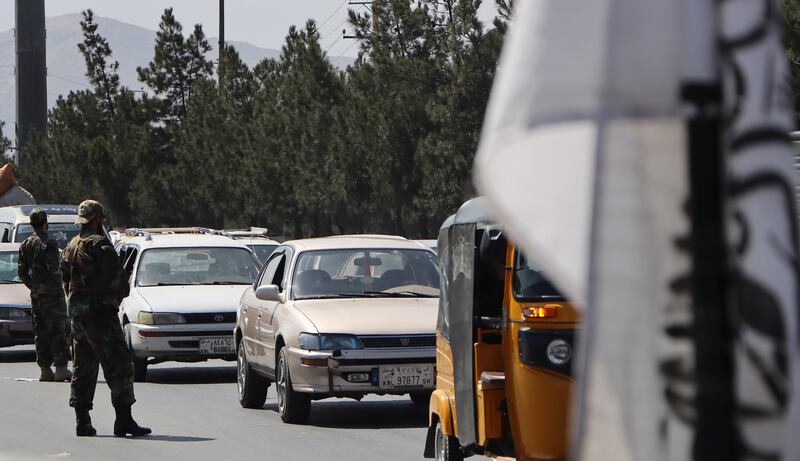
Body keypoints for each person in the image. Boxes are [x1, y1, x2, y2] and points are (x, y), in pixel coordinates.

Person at [61, 200, 150, 438]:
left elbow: (64, 278)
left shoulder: (71, 246)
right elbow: (119, 282)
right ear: (98, 219)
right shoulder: (101, 246)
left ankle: (83, 422)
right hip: (101, 316)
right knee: (120, 366)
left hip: (79, 318)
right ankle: (124, 421)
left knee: (83, 368)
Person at [17, 208, 72, 382]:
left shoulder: (26, 244)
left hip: (37, 296)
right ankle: (61, 368)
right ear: (45, 222)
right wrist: (63, 278)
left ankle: (45, 370)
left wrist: (33, 285)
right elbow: (54, 268)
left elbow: (21, 271)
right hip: (53, 295)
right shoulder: (49, 243)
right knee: (58, 330)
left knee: (40, 331)